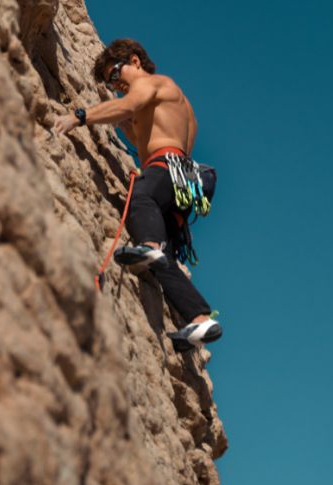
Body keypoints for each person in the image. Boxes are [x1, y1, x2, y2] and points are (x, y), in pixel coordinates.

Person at [53, 38, 221, 352]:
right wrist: (124, 125)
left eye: (116, 74)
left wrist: (80, 116)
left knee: (141, 199)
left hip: (166, 167)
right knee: (164, 261)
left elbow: (129, 106)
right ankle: (200, 318)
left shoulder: (152, 83)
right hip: (182, 180)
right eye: (110, 81)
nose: (115, 84)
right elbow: (144, 131)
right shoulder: (175, 104)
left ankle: (150, 246)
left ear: (135, 61)